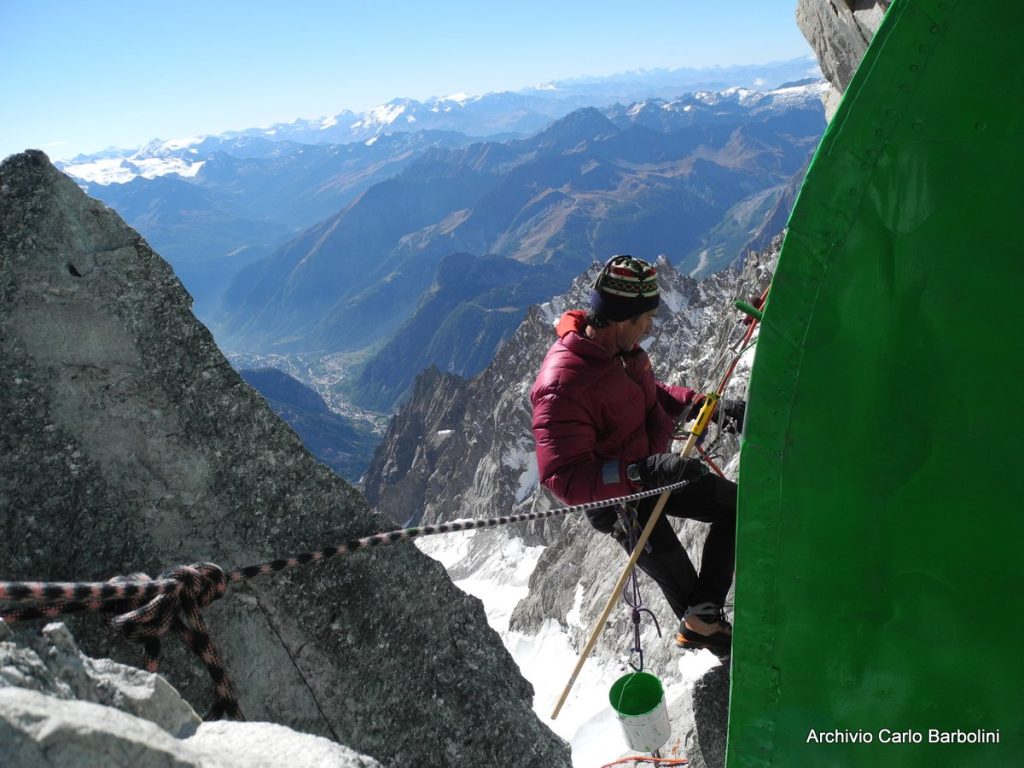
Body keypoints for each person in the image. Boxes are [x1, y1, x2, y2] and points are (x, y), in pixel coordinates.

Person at [530, 255, 744, 654]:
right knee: (679, 578)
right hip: (619, 502)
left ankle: (705, 616)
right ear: (620, 318)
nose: (650, 326)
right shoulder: (561, 384)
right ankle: (720, 647)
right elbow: (564, 478)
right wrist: (642, 471)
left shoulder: (619, 352)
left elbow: (648, 392)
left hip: (654, 470)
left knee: (735, 507)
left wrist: (703, 407)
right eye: (645, 317)